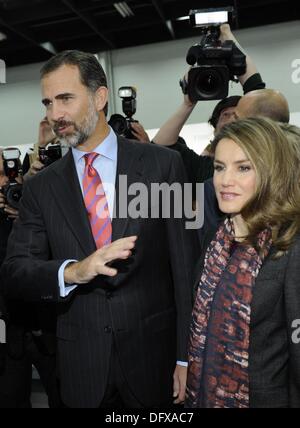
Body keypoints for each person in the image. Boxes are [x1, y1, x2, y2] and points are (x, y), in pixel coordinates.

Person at [0, 50, 197, 408]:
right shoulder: (42, 188)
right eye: (47, 102)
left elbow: (187, 270)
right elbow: (16, 271)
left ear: (100, 97)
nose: (54, 115)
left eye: (65, 99)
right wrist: (74, 271)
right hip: (81, 366)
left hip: (155, 359)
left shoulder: (163, 166)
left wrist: (186, 357)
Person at [186, 117, 300, 408]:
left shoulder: (288, 247)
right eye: (220, 167)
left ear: (270, 172)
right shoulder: (217, 241)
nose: (226, 180)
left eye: (243, 167)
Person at [0, 148, 61, 408]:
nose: (5, 181)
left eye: (7, 173)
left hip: (50, 331)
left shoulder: (31, 207)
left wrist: (25, 218)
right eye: (0, 175)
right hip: (8, 339)